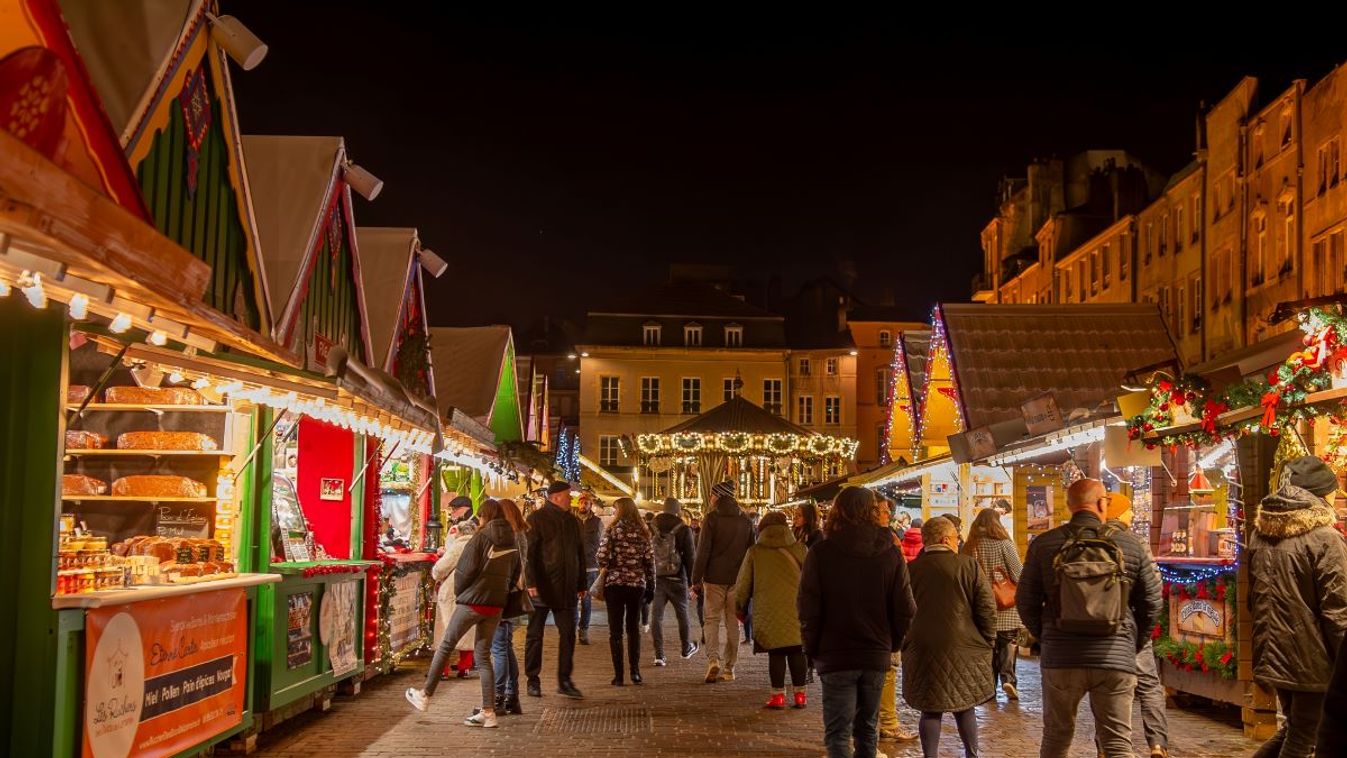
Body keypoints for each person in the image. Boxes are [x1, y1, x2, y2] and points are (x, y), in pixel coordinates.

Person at [1017, 478, 1163, 758]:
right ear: (1101, 503)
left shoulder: (1045, 544)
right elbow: (1152, 602)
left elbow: (1026, 601)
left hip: (1061, 658)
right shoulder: (1129, 544)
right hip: (1115, 658)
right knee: (1118, 743)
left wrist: (1047, 635)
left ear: (1070, 506)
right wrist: (1131, 642)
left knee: (1056, 740)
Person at [799, 486, 916, 758]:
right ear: (873, 512)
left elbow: (808, 608)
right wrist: (891, 642)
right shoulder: (890, 553)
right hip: (875, 652)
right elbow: (906, 607)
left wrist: (812, 648)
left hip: (834, 653)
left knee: (838, 733)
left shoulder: (821, 553)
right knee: (867, 730)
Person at [1249, 456, 1347, 758]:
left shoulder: (1261, 532)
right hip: (1311, 658)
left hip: (1274, 652)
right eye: (1333, 491)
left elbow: (1254, 597)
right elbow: (1338, 609)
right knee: (1304, 735)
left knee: (1296, 728)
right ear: (1320, 493)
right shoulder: (1325, 538)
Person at [407, 500, 521, 728]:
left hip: (473, 601)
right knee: (483, 655)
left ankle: (425, 694)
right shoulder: (512, 540)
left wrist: (462, 593)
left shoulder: (480, 537)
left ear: (484, 516)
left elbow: (464, 570)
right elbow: (516, 572)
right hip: (496, 605)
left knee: (446, 644)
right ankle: (488, 712)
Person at [904, 515, 995, 758]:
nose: (958, 542)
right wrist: (987, 639)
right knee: (965, 706)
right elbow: (986, 608)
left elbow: (900, 611)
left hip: (922, 646)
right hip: (964, 645)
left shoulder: (910, 570)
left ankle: (930, 756)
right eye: (956, 537)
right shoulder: (968, 566)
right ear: (946, 539)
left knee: (929, 709)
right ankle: (971, 754)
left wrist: (906, 641)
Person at [1095, 492, 1167, 758]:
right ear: (1121, 513)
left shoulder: (1091, 540)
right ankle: (1157, 743)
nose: (1133, 515)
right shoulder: (1135, 542)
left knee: (1105, 687)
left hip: (1099, 627)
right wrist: (1144, 629)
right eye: (1129, 510)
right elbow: (1153, 588)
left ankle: (1104, 746)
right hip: (1132, 625)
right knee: (1148, 685)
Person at [735, 511, 809, 709]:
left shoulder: (755, 552)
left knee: (776, 653)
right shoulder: (801, 549)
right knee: (797, 650)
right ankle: (800, 695)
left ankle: (778, 696)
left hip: (767, 609)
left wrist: (739, 606)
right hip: (797, 608)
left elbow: (743, 584)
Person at [524, 481, 587, 700]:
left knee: (568, 633)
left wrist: (581, 583)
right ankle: (533, 679)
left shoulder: (572, 521)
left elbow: (579, 553)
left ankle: (565, 679)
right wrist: (530, 582)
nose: (572, 499)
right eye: (569, 496)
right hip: (541, 586)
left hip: (567, 587)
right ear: (557, 497)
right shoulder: (536, 519)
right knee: (535, 635)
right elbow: (529, 554)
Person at [692, 481, 753, 683]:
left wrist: (695, 579)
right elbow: (750, 551)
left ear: (718, 496)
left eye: (712, 495)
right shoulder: (745, 520)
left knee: (711, 620)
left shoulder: (711, 519)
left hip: (714, 579)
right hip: (737, 579)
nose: (710, 498)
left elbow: (703, 551)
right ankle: (729, 668)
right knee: (732, 623)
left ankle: (713, 660)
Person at [962, 506, 1023, 701]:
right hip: (1005, 605)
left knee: (988, 645)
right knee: (1007, 642)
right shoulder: (1004, 544)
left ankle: (989, 687)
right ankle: (1008, 679)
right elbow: (1018, 574)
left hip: (980, 603)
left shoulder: (970, 545)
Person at [595, 497, 656, 685]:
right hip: (636, 585)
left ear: (619, 510)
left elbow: (601, 556)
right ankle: (635, 672)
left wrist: (610, 563)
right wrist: (651, 585)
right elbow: (649, 561)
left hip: (614, 584)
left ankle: (619, 675)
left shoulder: (612, 530)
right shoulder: (643, 531)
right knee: (633, 629)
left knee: (615, 631)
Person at [875, 498, 918, 742]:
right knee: (887, 672)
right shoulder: (889, 542)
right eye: (882, 511)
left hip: (877, 621)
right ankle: (887, 723)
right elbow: (901, 589)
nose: (886, 515)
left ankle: (881, 724)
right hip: (885, 622)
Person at [491, 498, 529, 716]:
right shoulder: (520, 534)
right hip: (513, 594)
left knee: (500, 647)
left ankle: (500, 697)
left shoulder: (508, 536)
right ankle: (512, 696)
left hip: (504, 594)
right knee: (505, 645)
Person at [651, 497, 698, 666]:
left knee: (656, 617)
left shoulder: (652, 526)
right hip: (678, 577)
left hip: (658, 578)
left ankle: (659, 655)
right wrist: (694, 582)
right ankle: (686, 648)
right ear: (678, 510)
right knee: (682, 615)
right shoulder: (683, 528)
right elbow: (691, 556)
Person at [431, 519, 478, 679]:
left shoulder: (458, 547)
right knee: (467, 629)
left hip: (453, 592)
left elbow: (441, 569)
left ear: (458, 532)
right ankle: (464, 666)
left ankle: (442, 670)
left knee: (446, 630)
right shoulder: (479, 546)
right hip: (472, 591)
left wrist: (435, 572)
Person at [575, 490, 604, 646]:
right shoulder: (572, 520)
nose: (583, 505)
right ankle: (572, 627)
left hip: (590, 567)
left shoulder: (597, 522)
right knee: (572, 601)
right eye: (581, 502)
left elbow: (602, 543)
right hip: (574, 566)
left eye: (586, 503)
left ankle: (583, 630)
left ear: (590, 505)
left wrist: (601, 563)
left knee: (586, 601)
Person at [640, 509, 657, 634]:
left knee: (640, 596)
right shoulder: (656, 530)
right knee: (646, 595)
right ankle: (645, 622)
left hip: (640, 566)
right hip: (652, 564)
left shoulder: (642, 530)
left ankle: (641, 621)